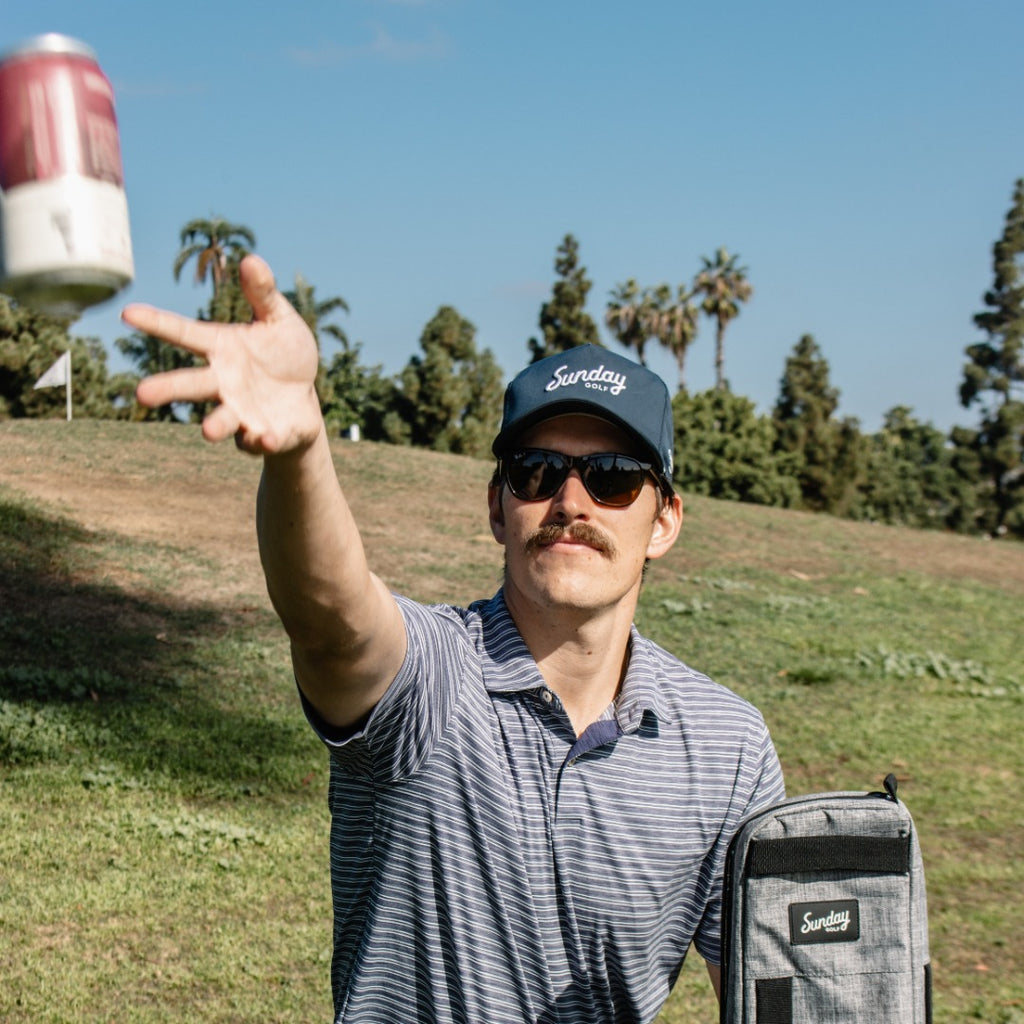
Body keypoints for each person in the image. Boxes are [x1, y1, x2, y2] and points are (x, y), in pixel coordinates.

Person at [123, 255, 785, 1024]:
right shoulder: (432, 680)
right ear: (500, 508)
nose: (570, 500)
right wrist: (301, 450)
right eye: (536, 471)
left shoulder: (727, 745)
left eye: (611, 476)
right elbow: (333, 620)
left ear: (663, 520)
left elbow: (766, 993)